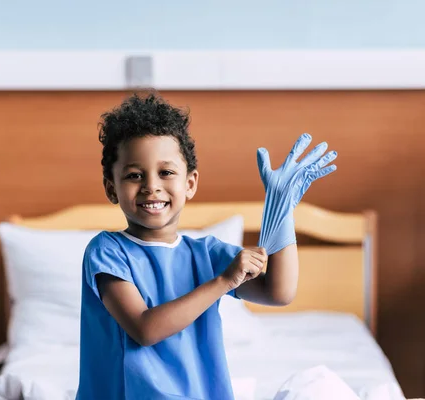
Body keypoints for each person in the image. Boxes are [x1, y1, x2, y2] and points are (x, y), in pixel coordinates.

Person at [76, 92, 337, 400]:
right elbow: (144, 329)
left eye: (166, 172)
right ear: (111, 188)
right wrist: (224, 281)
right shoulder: (107, 251)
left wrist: (280, 213)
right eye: (134, 175)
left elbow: (278, 293)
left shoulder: (207, 254)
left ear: (190, 184)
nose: (151, 185)